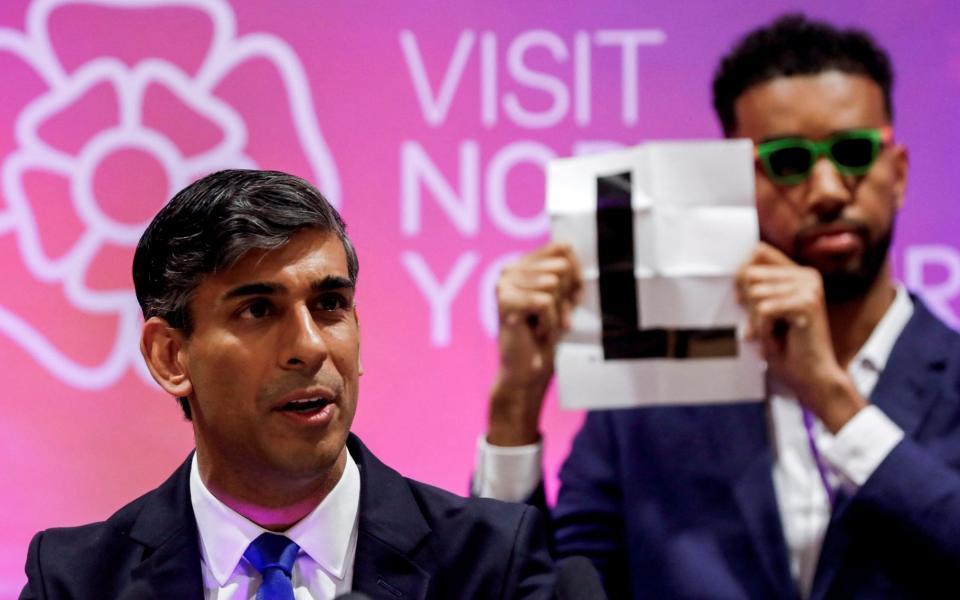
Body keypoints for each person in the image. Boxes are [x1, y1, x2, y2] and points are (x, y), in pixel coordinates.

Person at [474, 14, 960, 599]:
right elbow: (551, 589)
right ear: (732, 183)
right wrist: (514, 408)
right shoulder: (648, 393)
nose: (829, 188)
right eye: (786, 161)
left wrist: (834, 401)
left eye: (854, 151)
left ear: (899, 174)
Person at [20, 169, 559, 600]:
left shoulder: (489, 565)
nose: (312, 346)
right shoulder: (76, 581)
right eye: (258, 310)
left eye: (330, 305)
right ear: (171, 357)